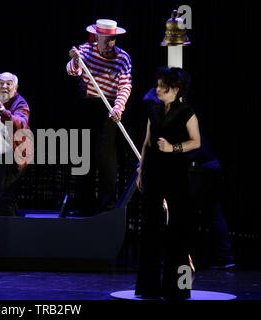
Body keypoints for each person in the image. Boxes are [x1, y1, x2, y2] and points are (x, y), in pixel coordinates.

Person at [143, 88, 235, 269]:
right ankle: (225, 258)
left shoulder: (178, 115)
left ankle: (180, 259)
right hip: (208, 166)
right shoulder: (180, 114)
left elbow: (188, 146)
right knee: (211, 213)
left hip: (200, 168)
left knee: (184, 215)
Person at [135, 67, 200, 300]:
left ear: (175, 89)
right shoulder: (154, 109)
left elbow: (196, 142)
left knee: (177, 229)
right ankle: (148, 288)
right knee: (150, 227)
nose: (158, 89)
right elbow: (147, 141)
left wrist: (173, 148)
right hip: (153, 170)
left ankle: (178, 288)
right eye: (158, 84)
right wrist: (141, 168)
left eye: (163, 86)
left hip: (175, 173)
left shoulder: (186, 112)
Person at [67, 19, 132, 216]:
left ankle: (106, 209)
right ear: (97, 37)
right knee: (83, 158)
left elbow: (125, 85)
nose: (108, 44)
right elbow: (72, 71)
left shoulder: (123, 57)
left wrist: (118, 107)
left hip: (108, 109)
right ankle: (84, 207)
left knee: (107, 161)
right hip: (87, 106)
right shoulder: (85, 50)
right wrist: (75, 60)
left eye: (112, 40)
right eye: (105, 39)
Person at [0, 72, 32, 216]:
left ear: (15, 87)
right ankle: (1, 229)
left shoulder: (21, 103)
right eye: (1, 83)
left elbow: (21, 122)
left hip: (14, 154)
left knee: (6, 197)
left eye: (9, 83)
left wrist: (5, 114)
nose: (4, 86)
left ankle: (10, 233)